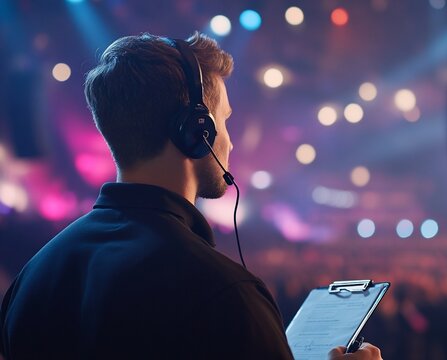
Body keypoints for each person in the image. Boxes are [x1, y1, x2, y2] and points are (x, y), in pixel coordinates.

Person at [0, 33, 382, 359]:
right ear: (195, 129)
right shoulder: (224, 294)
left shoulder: (33, 277)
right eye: (225, 119)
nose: (229, 140)